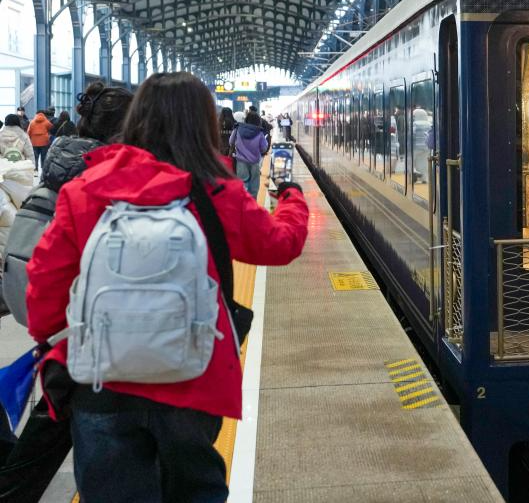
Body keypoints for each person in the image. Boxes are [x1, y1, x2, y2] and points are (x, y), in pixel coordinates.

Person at [25, 71, 309, 503]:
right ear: (203, 125)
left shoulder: (85, 189)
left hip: (103, 382)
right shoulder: (216, 191)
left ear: (137, 119)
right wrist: (292, 198)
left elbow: (45, 288)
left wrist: (61, 344)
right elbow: (280, 244)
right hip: (193, 379)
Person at [0, 81, 134, 501]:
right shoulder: (104, 176)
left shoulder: (59, 164)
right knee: (79, 435)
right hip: (88, 334)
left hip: (53, 322)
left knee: (53, 424)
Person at [229, 111, 269, 198]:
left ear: (246, 119)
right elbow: (264, 148)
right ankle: (252, 203)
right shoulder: (259, 132)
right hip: (254, 162)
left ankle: (243, 202)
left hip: (241, 161)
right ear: (258, 121)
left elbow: (231, 141)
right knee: (254, 185)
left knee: (243, 184)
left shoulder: (237, 129)